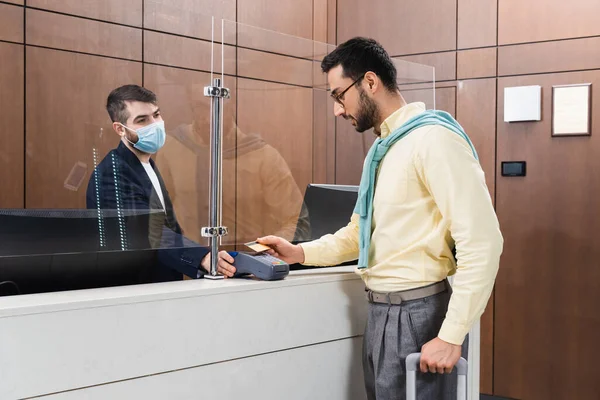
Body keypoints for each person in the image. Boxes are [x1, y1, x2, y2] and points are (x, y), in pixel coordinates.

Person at [218, 37, 503, 399]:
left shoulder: (433, 140)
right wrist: (299, 253)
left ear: (370, 82)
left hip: (419, 315)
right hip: (382, 314)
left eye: (339, 95)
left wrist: (451, 335)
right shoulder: (384, 149)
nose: (337, 110)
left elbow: (483, 241)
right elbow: (360, 235)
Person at [86, 85, 230, 281]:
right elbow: (146, 232)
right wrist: (202, 257)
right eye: (142, 120)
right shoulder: (112, 173)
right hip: (136, 289)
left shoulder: (147, 164)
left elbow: (166, 227)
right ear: (120, 129)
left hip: (160, 286)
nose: (155, 124)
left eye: (156, 115)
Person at [156, 87, 309, 246]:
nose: (209, 118)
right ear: (191, 106)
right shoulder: (171, 148)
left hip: (247, 261)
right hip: (188, 263)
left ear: (232, 107)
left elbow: (296, 221)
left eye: (219, 106)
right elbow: (158, 219)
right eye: (201, 108)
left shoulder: (264, 157)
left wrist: (262, 249)